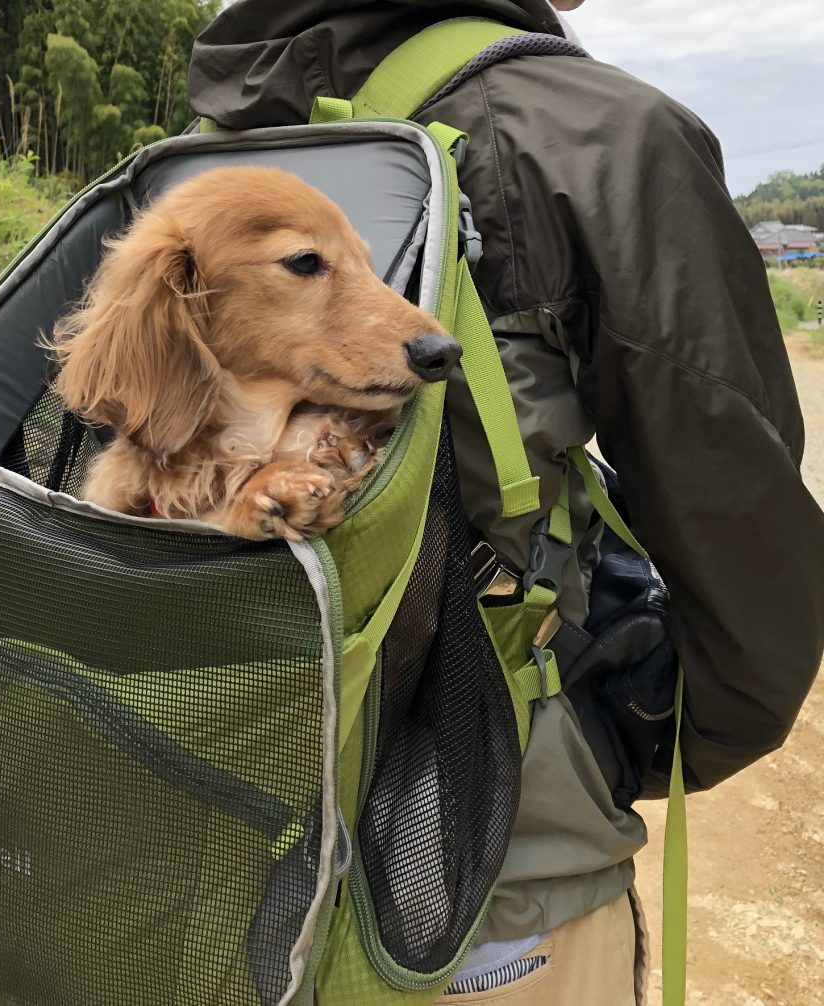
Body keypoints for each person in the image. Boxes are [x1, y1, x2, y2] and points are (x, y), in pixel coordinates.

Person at [189, 1, 824, 1002]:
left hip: (221, 830)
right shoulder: (601, 139)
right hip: (492, 866)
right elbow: (750, 574)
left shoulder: (212, 141)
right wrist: (624, 736)